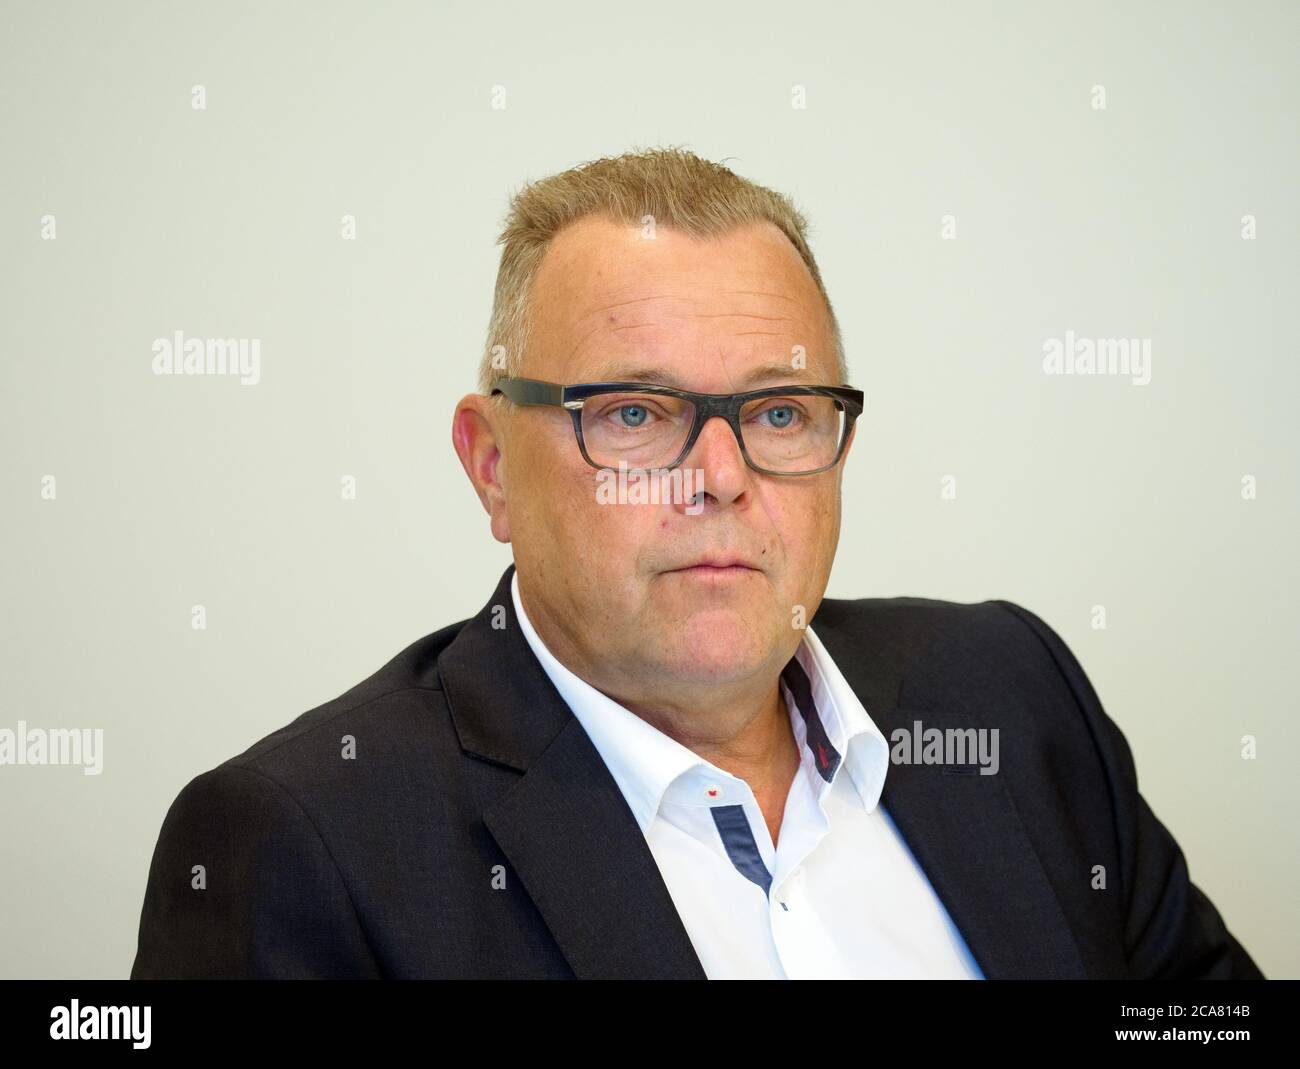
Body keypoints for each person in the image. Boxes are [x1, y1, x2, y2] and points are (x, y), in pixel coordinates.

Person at [130, 147, 1263, 979]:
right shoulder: (304, 844)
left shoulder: (1013, 693)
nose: (720, 475)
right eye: (632, 412)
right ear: (490, 467)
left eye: (776, 412)